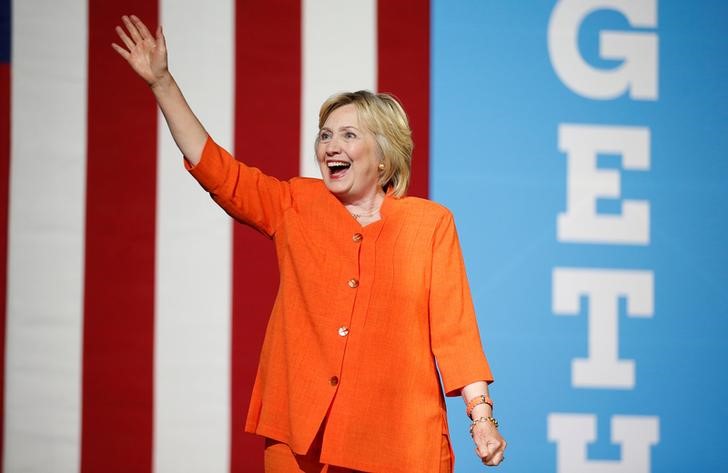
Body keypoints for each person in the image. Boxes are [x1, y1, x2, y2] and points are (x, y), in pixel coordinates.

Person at [113, 14, 506, 473]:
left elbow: (454, 332)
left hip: (398, 444)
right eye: (324, 134)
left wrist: (481, 417)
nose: (329, 146)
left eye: (348, 135)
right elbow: (218, 170)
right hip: (300, 440)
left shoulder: (429, 223)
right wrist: (162, 83)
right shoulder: (296, 203)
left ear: (384, 157)